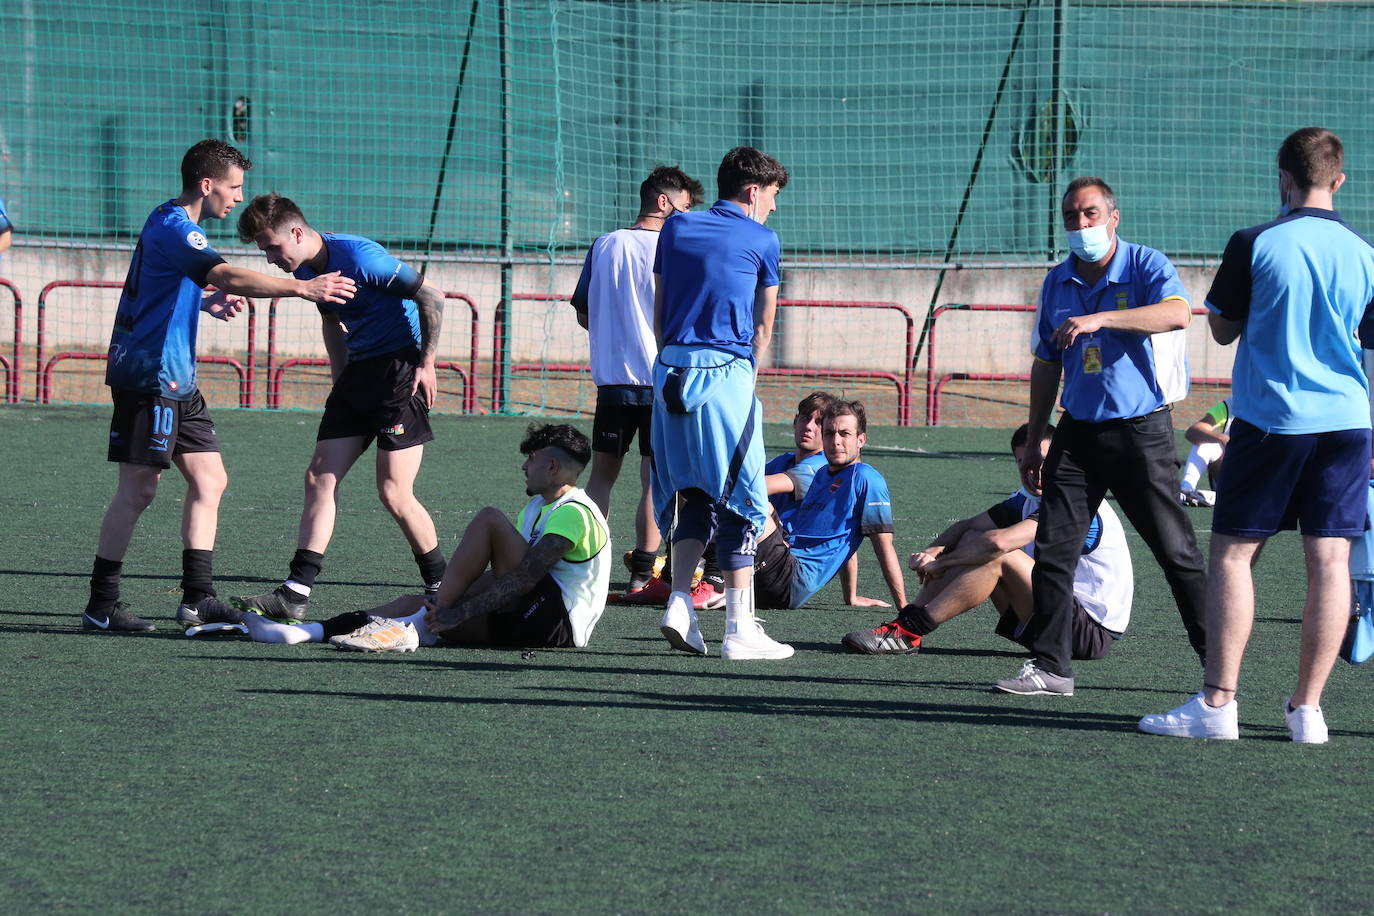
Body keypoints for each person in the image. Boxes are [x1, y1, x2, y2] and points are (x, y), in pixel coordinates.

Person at [1141, 127, 1374, 743]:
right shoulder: (1365, 250)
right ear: (1340, 179)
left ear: (1282, 177)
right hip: (1350, 423)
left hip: (1273, 422)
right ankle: (1309, 711)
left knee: (1234, 554)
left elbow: (1220, 329)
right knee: (1331, 562)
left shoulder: (1255, 242)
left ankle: (1219, 702)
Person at [82, 139, 356, 633]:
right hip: (150, 376)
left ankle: (197, 600)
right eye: (233, 188)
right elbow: (225, 274)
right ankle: (101, 604)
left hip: (178, 379)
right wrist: (302, 287)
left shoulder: (171, 224)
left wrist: (201, 305)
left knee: (210, 481)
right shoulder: (174, 227)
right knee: (138, 489)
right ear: (207, 185)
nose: (236, 198)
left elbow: (172, 284)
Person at [1001, 176, 1207, 696]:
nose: (1080, 225)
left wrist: (1102, 319)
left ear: (1114, 217)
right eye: (1071, 216)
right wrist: (1033, 440)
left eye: (1090, 214)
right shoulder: (1056, 282)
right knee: (1054, 546)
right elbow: (1047, 363)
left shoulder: (1145, 264)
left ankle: (1217, 663)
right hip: (1077, 433)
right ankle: (1051, 668)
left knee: (1176, 551)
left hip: (1140, 431)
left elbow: (1178, 313)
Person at [229, 193, 448, 621]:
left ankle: (442, 583)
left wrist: (427, 363)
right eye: (263, 251)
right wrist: (340, 378)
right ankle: (294, 592)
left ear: (297, 231)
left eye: (273, 246)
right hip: (359, 377)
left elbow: (433, 297)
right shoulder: (307, 270)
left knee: (393, 492)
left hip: (399, 373)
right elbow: (331, 319)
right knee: (318, 478)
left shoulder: (362, 259)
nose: (271, 258)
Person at [211, 424, 612, 652]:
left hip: (555, 626)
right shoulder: (536, 508)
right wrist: (445, 608)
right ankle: (305, 632)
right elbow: (508, 580)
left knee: (489, 520)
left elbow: (524, 579)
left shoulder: (575, 513)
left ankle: (420, 623)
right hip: (528, 624)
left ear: (554, 465)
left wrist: (457, 610)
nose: (524, 466)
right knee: (415, 605)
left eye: (532, 460)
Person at [650, 146, 792, 660]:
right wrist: (741, 378)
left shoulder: (676, 226)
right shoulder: (764, 239)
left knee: (693, 492)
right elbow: (763, 327)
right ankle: (739, 629)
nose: (774, 207)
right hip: (724, 375)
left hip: (667, 372)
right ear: (754, 191)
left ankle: (681, 601)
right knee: (744, 498)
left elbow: (660, 309)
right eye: (773, 196)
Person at [842, 423, 1132, 657]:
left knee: (998, 553)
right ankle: (906, 624)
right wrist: (933, 551)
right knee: (972, 537)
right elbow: (968, 526)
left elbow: (998, 545)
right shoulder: (1026, 499)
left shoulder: (1077, 501)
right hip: (1052, 620)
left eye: (1044, 462)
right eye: (1025, 464)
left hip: (1089, 633)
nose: (1035, 473)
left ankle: (909, 631)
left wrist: (942, 563)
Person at [571, 166, 704, 594]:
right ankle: (642, 574)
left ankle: (579, 566)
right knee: (656, 480)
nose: (686, 215)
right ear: (663, 202)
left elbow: (584, 313)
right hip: (659, 384)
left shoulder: (604, 244)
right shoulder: (676, 246)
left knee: (601, 477)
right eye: (683, 205)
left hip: (611, 385)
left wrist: (616, 335)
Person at [749, 399, 908, 613]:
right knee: (758, 504)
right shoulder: (823, 474)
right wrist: (850, 596)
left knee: (751, 499)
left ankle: (714, 576)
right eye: (829, 433)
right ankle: (711, 574)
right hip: (778, 566)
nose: (836, 441)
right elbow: (846, 540)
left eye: (845, 434)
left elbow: (884, 547)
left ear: (861, 439)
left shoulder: (867, 479)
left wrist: (903, 607)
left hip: (789, 581)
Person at [1178, 397, 1233, 507]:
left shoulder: (1273, 407)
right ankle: (1186, 487)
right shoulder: (1232, 405)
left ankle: (1216, 497)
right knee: (1205, 442)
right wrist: (1222, 438)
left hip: (1262, 477)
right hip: (1232, 472)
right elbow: (1192, 432)